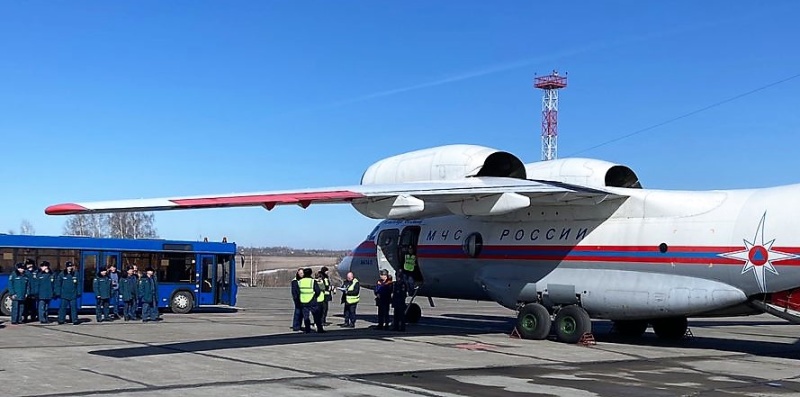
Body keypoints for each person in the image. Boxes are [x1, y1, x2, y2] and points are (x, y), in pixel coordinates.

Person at [298, 268, 323, 333]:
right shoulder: (312, 281)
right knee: (316, 316)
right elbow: (317, 291)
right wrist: (315, 296)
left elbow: (298, 291)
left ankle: (307, 329)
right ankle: (319, 329)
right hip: (312, 300)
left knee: (306, 316)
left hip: (303, 300)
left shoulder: (300, 281)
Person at [56, 261, 81, 325]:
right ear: (66, 267)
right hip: (64, 294)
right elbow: (58, 284)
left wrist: (79, 292)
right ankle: (61, 320)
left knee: (74, 308)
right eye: (68, 267)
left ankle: (74, 320)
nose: (69, 268)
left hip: (73, 294)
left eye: (70, 266)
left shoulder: (76, 274)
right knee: (62, 308)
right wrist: (58, 292)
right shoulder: (62, 274)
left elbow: (79, 284)